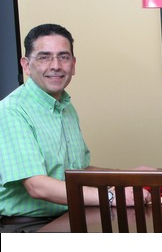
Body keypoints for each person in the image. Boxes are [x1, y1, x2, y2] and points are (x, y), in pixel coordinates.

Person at [0, 24, 151, 233]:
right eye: (44, 57)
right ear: (26, 65)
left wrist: (125, 175)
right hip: (28, 227)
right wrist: (111, 196)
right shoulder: (12, 110)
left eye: (63, 57)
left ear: (73, 64)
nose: (56, 65)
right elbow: (37, 186)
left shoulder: (66, 106)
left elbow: (77, 172)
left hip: (72, 215)